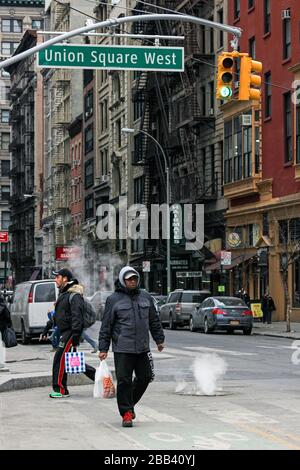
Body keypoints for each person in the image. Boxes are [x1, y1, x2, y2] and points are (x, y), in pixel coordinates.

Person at [99, 266, 165, 428]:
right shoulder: (113, 300)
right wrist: (103, 348)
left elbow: (154, 320)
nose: (132, 281)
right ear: (123, 280)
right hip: (123, 348)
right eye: (129, 279)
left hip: (142, 347)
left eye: (134, 278)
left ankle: (129, 403)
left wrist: (159, 339)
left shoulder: (145, 297)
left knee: (146, 377)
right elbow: (106, 325)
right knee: (124, 381)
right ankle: (127, 413)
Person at [46, 268, 96, 398]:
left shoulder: (74, 295)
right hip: (65, 332)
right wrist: (48, 327)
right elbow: (60, 315)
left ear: (65, 279)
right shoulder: (64, 294)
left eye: (58, 277)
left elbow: (77, 318)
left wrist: (75, 337)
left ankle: (60, 390)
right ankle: (100, 378)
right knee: (75, 362)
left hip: (70, 333)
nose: (55, 279)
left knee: (59, 359)